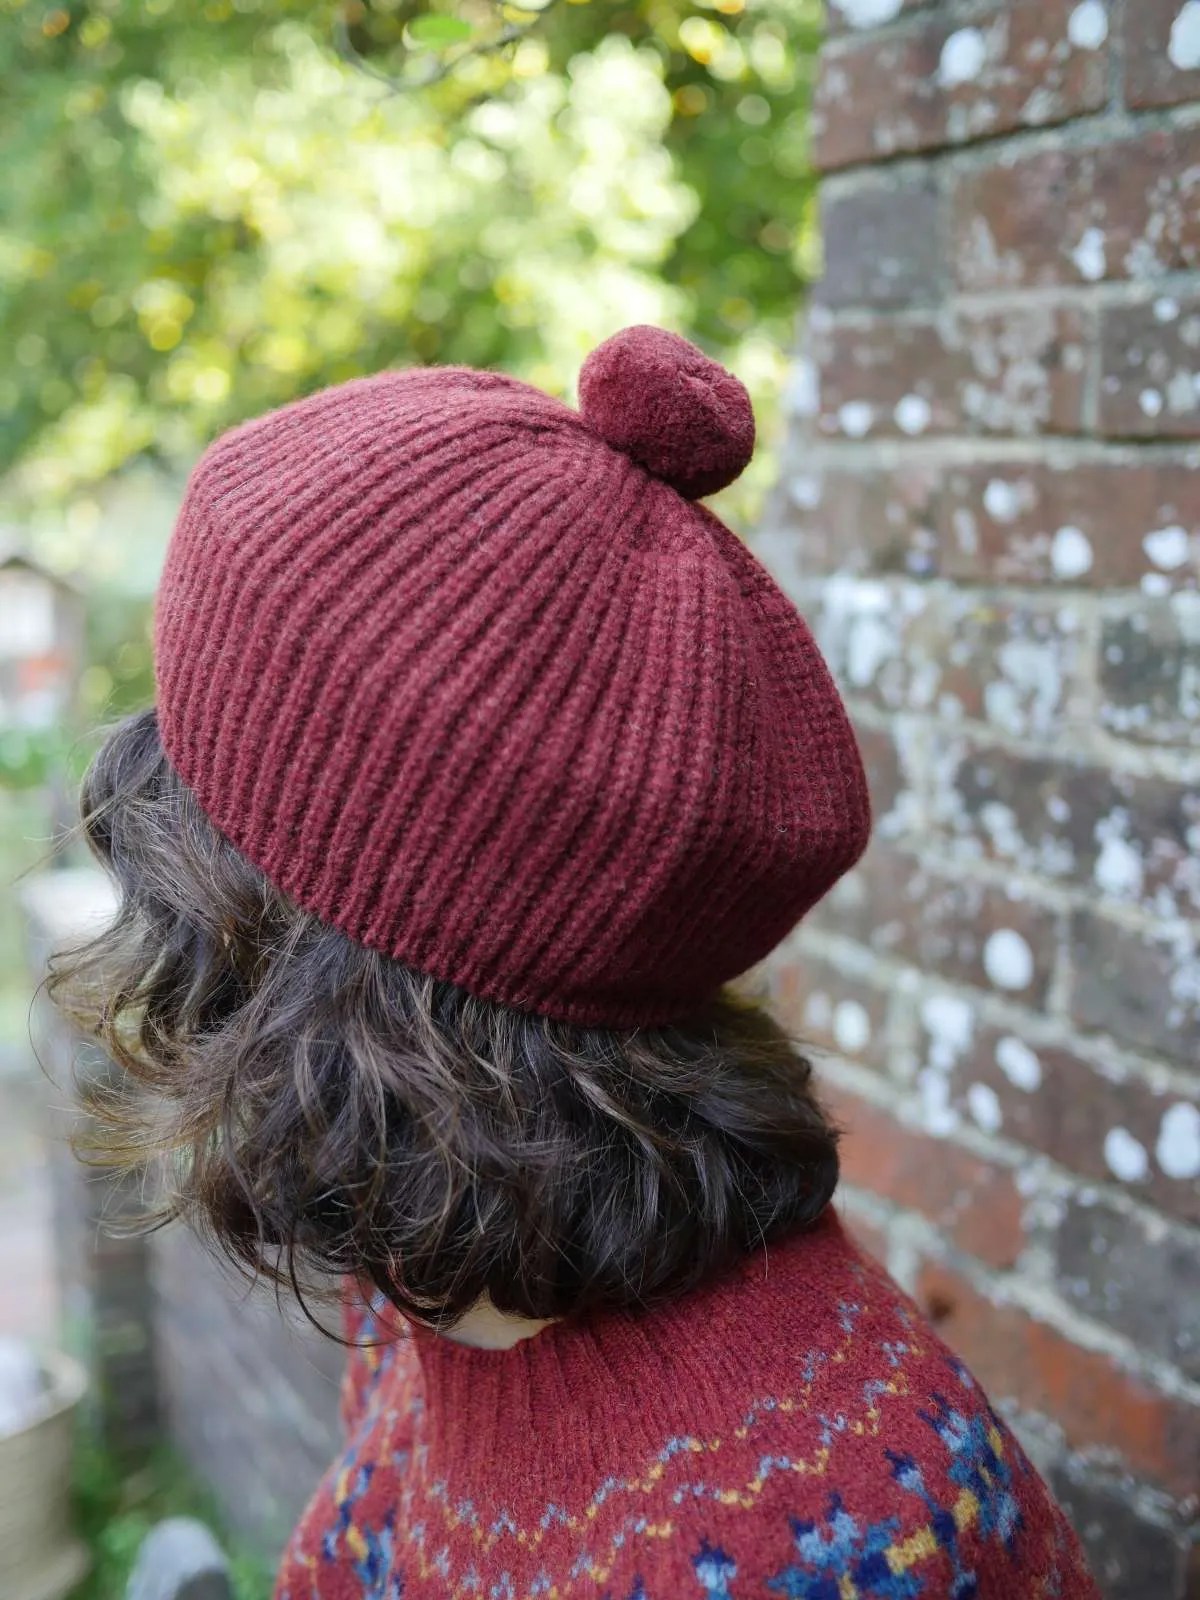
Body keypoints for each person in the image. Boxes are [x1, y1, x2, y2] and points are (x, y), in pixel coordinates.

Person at [53, 327, 1100, 1599]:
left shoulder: (822, 1548)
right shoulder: (437, 1268)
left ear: (337, 977)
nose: (145, 868)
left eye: (196, 818)